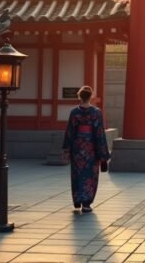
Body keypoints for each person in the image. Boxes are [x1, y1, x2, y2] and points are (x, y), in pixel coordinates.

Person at [62, 85, 110, 213]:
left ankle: (77, 200)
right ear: (91, 96)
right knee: (90, 175)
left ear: (80, 96)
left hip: (77, 148)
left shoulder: (74, 112)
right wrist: (103, 155)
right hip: (91, 148)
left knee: (77, 174)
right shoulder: (96, 112)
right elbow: (99, 133)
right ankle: (87, 203)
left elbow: (70, 131)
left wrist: (67, 149)